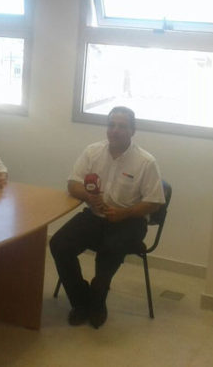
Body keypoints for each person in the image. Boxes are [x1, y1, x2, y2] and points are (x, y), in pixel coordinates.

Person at [49, 106, 165, 329]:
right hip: (95, 215)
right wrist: (89, 197)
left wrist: (125, 213)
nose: (115, 130)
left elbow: (155, 201)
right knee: (59, 244)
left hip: (130, 220)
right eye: (111, 125)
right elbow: (73, 184)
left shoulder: (146, 162)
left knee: (110, 248)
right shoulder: (93, 152)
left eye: (122, 126)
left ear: (133, 131)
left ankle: (98, 298)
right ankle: (80, 301)